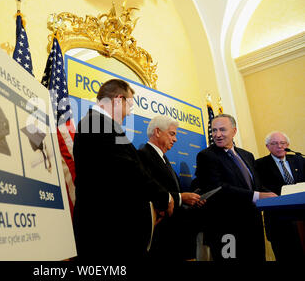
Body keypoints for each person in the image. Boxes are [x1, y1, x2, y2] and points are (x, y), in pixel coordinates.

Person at [72, 79, 173, 259]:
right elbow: (129, 171)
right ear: (119, 99)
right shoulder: (97, 124)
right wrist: (163, 197)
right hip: (108, 238)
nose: (128, 114)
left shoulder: (98, 124)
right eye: (129, 107)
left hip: (113, 237)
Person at [194, 114, 276, 261]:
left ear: (234, 131)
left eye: (222, 130)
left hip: (253, 226)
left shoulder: (247, 155)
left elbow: (255, 185)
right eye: (214, 130)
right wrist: (257, 196)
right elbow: (218, 189)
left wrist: (276, 195)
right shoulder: (206, 156)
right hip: (226, 230)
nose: (217, 135)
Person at [138, 115, 205, 260]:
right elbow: (149, 192)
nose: (175, 139)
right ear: (157, 132)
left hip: (176, 236)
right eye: (172, 134)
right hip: (161, 240)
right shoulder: (143, 155)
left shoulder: (163, 158)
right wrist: (181, 197)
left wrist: (189, 199)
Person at [255, 131, 305, 261]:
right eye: (274, 143)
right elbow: (258, 186)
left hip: (301, 218)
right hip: (278, 221)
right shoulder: (259, 164)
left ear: (287, 145)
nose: (279, 146)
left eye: (282, 143)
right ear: (267, 146)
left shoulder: (299, 160)